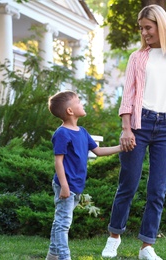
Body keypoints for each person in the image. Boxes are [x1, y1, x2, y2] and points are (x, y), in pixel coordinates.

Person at [101, 4, 166, 260]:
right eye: (141, 29)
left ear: (161, 26)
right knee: (127, 184)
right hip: (140, 124)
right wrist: (126, 128)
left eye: (147, 28)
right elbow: (127, 95)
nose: (144, 33)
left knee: (158, 190)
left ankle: (146, 247)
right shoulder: (138, 58)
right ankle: (114, 237)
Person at [46, 90, 126, 260]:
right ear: (70, 111)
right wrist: (64, 186)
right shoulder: (62, 133)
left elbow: (98, 151)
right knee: (63, 223)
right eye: (79, 102)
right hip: (65, 185)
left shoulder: (82, 131)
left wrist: (121, 147)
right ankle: (63, 257)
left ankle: (52, 255)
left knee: (60, 221)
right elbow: (58, 162)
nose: (82, 104)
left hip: (75, 185)